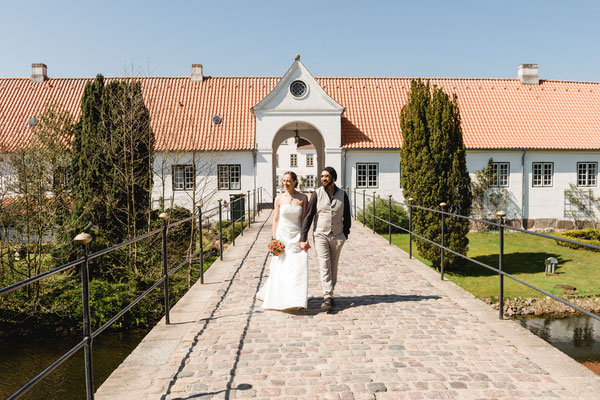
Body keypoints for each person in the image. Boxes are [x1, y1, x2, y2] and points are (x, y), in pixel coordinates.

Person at [299, 167, 351, 310]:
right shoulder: (316, 194)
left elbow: (347, 216)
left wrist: (345, 234)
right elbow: (309, 217)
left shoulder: (343, 194)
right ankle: (327, 296)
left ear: (333, 178)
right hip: (320, 234)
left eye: (327, 176)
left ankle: (330, 293)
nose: (323, 179)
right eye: (322, 176)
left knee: (333, 266)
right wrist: (303, 237)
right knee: (324, 264)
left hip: (338, 235)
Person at [257, 171, 310, 310]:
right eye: (284, 181)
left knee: (298, 266)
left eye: (288, 181)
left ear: (294, 181)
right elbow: (276, 219)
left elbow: (305, 219)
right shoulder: (279, 199)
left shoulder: (303, 198)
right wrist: (274, 239)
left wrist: (304, 238)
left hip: (297, 235)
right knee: (282, 266)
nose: (285, 183)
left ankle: (296, 298)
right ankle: (281, 296)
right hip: (282, 235)